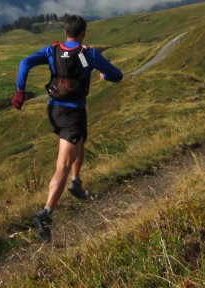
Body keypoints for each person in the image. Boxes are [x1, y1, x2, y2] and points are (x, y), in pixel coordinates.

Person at [10, 14, 123, 242]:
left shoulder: (51, 51)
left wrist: (20, 91)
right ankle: (47, 213)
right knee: (62, 163)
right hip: (73, 112)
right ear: (82, 34)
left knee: (80, 141)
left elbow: (25, 63)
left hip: (54, 111)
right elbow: (117, 75)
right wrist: (104, 75)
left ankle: (76, 182)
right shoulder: (88, 54)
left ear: (65, 32)